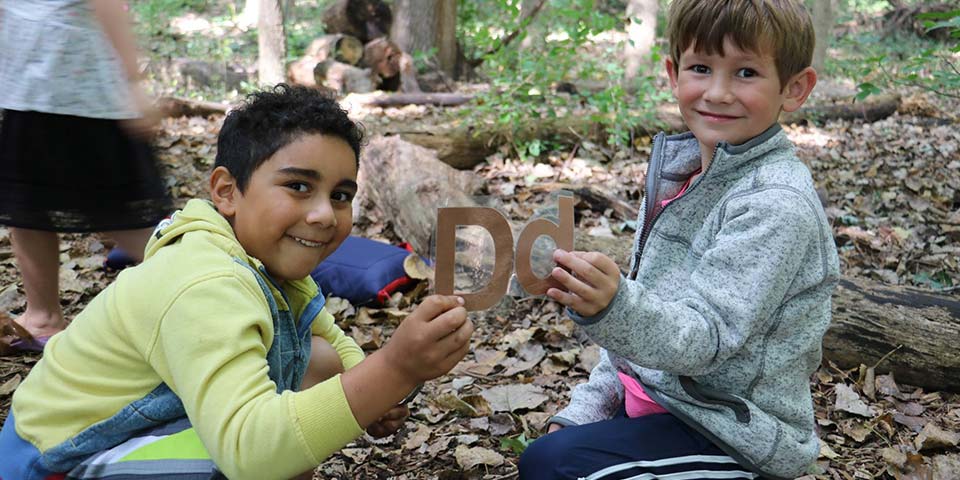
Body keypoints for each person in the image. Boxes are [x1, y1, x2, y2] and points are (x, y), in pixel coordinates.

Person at [0, 84, 474, 480]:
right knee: (257, 452)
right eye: (298, 186)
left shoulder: (261, 259)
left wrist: (376, 388)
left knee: (318, 360)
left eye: (341, 194)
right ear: (227, 191)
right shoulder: (203, 281)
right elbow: (250, 453)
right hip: (53, 460)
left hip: (114, 433)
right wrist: (394, 369)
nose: (324, 214)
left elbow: (327, 337)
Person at [520, 1, 839, 479]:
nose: (718, 92)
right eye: (701, 68)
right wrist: (582, 414)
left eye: (746, 72)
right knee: (554, 452)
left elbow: (703, 338)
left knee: (553, 468)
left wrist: (615, 305)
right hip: (668, 408)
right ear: (674, 74)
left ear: (794, 88)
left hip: (732, 434)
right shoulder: (687, 175)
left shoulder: (775, 204)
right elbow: (632, 349)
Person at [0, 0, 172, 350]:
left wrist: (133, 82)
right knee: (29, 210)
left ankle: (211, 289)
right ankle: (43, 315)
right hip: (31, 87)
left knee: (127, 216)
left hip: (81, 94)